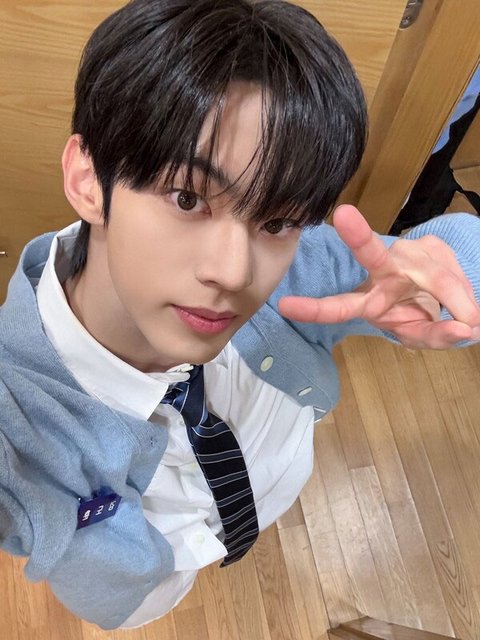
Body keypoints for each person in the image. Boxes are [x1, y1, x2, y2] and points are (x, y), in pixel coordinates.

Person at [1, 0, 479, 631]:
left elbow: (451, 263)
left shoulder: (296, 274)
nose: (235, 272)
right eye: (187, 197)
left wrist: (453, 270)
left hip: (275, 480)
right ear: (89, 180)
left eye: (277, 220)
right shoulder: (19, 420)